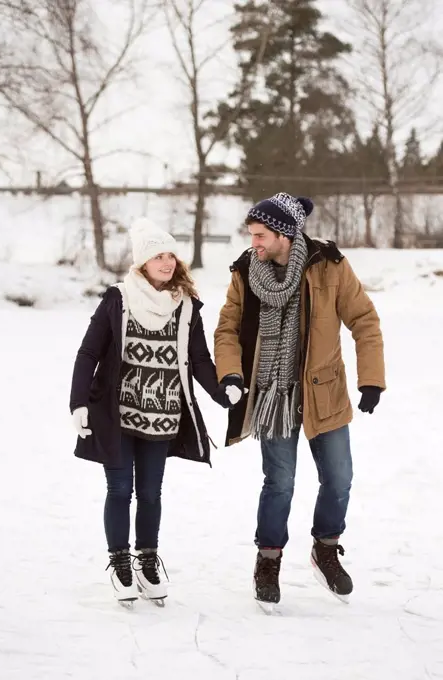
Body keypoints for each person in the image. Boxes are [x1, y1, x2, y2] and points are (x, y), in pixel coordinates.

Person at [214, 192, 386, 605]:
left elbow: (364, 319)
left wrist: (372, 380)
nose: (253, 242)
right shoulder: (245, 272)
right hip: (274, 396)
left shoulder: (329, 265)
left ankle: (325, 548)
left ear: (284, 233)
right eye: (251, 234)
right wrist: (232, 373)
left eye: (260, 235)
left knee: (339, 479)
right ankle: (268, 559)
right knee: (279, 483)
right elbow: (227, 329)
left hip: (323, 391)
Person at [70, 218, 241, 606]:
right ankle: (120, 562)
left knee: (150, 493)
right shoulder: (119, 299)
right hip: (116, 416)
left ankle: (147, 559)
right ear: (142, 263)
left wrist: (221, 391)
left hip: (163, 415)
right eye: (157, 256)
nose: (166, 262)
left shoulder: (185, 306)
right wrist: (78, 401)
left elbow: (198, 358)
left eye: (170, 255)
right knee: (120, 489)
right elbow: (89, 352)